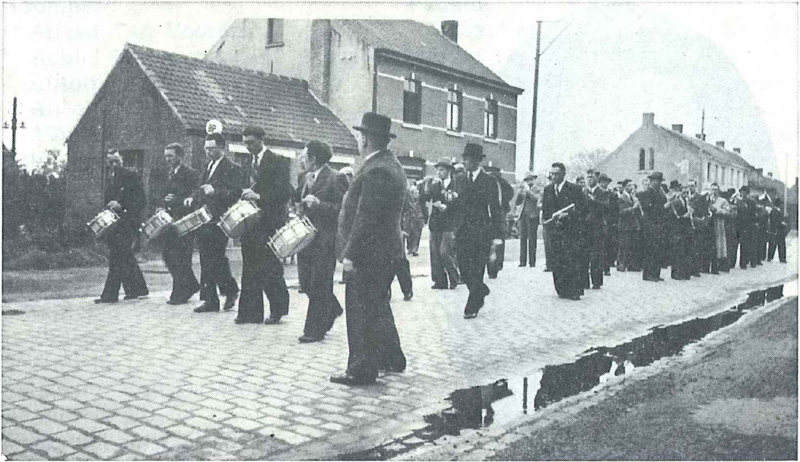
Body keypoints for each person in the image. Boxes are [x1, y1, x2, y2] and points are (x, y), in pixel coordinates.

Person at [332, 112, 407, 386]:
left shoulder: (377, 170)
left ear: (365, 139)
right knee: (377, 306)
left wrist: (350, 254)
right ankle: (392, 357)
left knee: (361, 310)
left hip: (369, 254)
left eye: (360, 135)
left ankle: (361, 369)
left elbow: (366, 217)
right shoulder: (389, 165)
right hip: (384, 253)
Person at [235, 125, 293, 325]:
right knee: (249, 266)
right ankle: (250, 312)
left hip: (269, 222)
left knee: (269, 267)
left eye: (251, 142)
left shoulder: (278, 161)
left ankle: (278, 309)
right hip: (250, 222)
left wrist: (259, 196)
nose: (248, 147)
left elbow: (286, 192)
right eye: (245, 144)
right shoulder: (247, 164)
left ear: (261, 140)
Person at [296, 141, 349, 343]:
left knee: (319, 284)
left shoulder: (337, 178)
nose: (301, 159)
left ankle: (314, 331)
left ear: (314, 158)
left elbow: (344, 210)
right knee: (306, 283)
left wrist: (320, 205)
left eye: (304, 155)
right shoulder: (303, 178)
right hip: (305, 238)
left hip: (325, 240)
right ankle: (333, 308)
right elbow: (299, 200)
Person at [188, 133, 241, 313]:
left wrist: (214, 192)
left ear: (222, 148)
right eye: (206, 148)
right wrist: (193, 197)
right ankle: (214, 298)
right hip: (204, 218)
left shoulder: (232, 168)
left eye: (212, 148)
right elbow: (201, 188)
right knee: (206, 258)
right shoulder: (207, 166)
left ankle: (226, 292)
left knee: (215, 258)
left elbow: (235, 193)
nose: (208, 152)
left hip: (220, 220)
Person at [452, 143, 503, 319]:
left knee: (476, 269)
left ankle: (472, 305)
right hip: (462, 231)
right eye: (464, 159)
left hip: (481, 231)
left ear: (476, 161)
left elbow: (496, 208)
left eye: (467, 159)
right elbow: (456, 205)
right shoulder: (459, 179)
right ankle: (481, 289)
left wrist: (497, 236)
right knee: (464, 271)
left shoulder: (489, 181)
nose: (464, 162)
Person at [95, 151, 149, 303]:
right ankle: (137, 289)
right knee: (123, 256)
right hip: (114, 224)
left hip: (127, 222)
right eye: (111, 162)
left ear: (122, 161)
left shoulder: (132, 176)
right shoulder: (110, 179)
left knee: (117, 257)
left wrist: (121, 205)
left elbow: (141, 201)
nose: (113, 165)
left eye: (116, 161)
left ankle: (110, 295)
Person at [161, 143, 200, 305]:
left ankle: (179, 293)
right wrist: (162, 202)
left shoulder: (190, 174)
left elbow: (193, 197)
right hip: (171, 220)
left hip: (184, 221)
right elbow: (164, 194)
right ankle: (190, 285)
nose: (168, 159)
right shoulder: (169, 173)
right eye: (166, 156)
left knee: (182, 257)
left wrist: (175, 201)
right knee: (168, 255)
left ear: (180, 156)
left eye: (171, 156)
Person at [542, 162, 585, 299]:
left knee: (571, 259)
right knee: (557, 259)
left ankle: (574, 290)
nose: (553, 177)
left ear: (563, 174)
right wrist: (549, 219)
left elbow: (583, 210)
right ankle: (561, 289)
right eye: (552, 174)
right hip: (555, 231)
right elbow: (546, 209)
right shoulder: (548, 189)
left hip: (570, 230)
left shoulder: (575, 189)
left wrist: (566, 215)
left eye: (556, 174)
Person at [421, 158, 460, 289]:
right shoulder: (435, 185)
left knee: (445, 251)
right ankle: (439, 281)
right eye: (437, 170)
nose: (439, 173)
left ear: (449, 171)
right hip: (436, 223)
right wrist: (426, 186)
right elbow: (424, 198)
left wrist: (446, 207)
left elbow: (459, 204)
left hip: (449, 223)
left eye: (442, 170)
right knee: (435, 252)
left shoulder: (455, 185)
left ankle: (454, 277)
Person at [638, 171, 667, 282]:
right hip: (650, 225)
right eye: (658, 181)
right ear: (652, 181)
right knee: (650, 250)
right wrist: (664, 207)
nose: (659, 183)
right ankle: (648, 274)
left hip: (659, 224)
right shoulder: (647, 193)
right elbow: (649, 209)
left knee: (658, 250)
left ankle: (655, 273)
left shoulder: (660, 192)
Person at [486, 166, 514, 279]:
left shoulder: (500, 184)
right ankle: (494, 267)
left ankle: (494, 267)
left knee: (495, 242)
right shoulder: (501, 183)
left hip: (496, 217)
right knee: (495, 243)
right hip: (496, 217)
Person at [583, 170, 609, 289]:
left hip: (598, 227)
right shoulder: (583, 192)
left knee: (597, 255)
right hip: (585, 227)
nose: (589, 179)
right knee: (584, 255)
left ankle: (597, 281)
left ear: (596, 179)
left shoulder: (602, 192)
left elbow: (605, 207)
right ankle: (584, 282)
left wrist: (593, 201)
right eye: (587, 177)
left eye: (592, 177)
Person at [665, 181, 692, 280]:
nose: (686, 195)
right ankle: (676, 273)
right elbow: (674, 216)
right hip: (677, 229)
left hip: (684, 229)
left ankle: (683, 273)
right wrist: (685, 216)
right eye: (684, 193)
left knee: (683, 251)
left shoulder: (685, 201)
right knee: (677, 252)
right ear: (679, 192)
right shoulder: (676, 202)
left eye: (687, 193)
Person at [515, 171, 540, 268]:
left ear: (533, 180)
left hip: (533, 216)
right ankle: (522, 261)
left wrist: (528, 191)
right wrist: (520, 193)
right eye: (526, 180)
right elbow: (517, 203)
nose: (528, 181)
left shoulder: (537, 189)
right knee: (523, 239)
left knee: (532, 239)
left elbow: (536, 199)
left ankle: (532, 262)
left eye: (530, 179)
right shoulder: (523, 190)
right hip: (523, 216)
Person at [686, 180, 710, 276]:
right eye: (689, 186)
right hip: (686, 225)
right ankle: (687, 268)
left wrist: (701, 220)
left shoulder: (700, 198)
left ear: (695, 187)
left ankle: (695, 269)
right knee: (688, 247)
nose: (690, 188)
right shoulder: (685, 197)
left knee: (696, 247)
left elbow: (705, 211)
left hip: (696, 224)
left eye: (692, 186)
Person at [707, 183, 732, 274]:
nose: (713, 191)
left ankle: (715, 268)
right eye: (712, 189)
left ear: (718, 191)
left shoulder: (722, 201)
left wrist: (717, 210)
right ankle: (705, 267)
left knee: (717, 247)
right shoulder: (706, 199)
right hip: (707, 225)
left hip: (717, 225)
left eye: (715, 190)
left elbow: (728, 211)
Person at [616, 179, 640, 272]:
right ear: (625, 186)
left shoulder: (633, 197)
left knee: (632, 245)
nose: (632, 187)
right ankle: (621, 264)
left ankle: (631, 265)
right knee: (623, 246)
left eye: (633, 185)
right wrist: (633, 208)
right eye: (629, 185)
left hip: (633, 224)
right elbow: (621, 212)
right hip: (624, 225)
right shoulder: (622, 197)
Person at [598, 173, 618, 275]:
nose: (603, 184)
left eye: (605, 182)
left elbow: (615, 209)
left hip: (609, 223)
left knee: (608, 246)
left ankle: (606, 268)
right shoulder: (597, 194)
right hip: (599, 222)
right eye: (601, 182)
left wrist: (613, 221)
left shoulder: (612, 195)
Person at [402, 183, 425, 257]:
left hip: (419, 219)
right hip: (410, 220)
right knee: (410, 235)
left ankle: (415, 249)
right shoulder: (409, 200)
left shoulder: (420, 201)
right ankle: (410, 248)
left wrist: (425, 218)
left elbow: (425, 210)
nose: (416, 194)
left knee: (417, 235)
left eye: (417, 193)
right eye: (415, 193)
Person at [767, 197, 788, 263]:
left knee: (778, 244)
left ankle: (780, 258)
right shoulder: (774, 211)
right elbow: (774, 220)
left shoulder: (778, 211)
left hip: (779, 230)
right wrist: (781, 223)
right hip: (776, 230)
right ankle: (774, 257)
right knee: (775, 244)